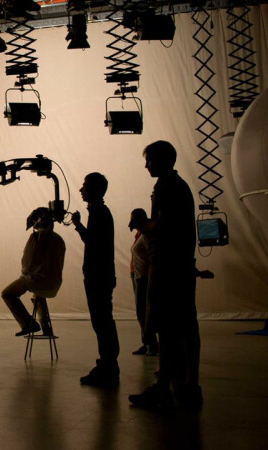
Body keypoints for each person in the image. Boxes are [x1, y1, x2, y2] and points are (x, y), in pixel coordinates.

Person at [129, 140, 201, 410]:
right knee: (185, 326)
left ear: (161, 160)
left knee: (166, 327)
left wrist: (143, 225)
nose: (146, 165)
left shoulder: (166, 187)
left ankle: (163, 388)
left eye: (149, 160)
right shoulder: (179, 186)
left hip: (167, 267)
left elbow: (163, 225)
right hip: (180, 265)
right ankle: (187, 384)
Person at [71, 173, 119, 388]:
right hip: (100, 275)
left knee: (102, 322)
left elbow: (93, 241)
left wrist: (78, 225)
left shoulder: (100, 213)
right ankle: (108, 365)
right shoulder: (99, 212)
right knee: (102, 321)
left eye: (85, 186)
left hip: (98, 276)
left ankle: (108, 366)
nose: (81, 190)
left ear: (95, 189)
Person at [2, 207, 66, 337]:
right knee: (38, 296)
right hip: (54, 282)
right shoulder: (59, 239)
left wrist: (25, 276)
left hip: (36, 279)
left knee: (7, 294)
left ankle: (28, 324)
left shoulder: (36, 237)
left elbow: (27, 261)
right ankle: (46, 328)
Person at [128, 208, 158, 356]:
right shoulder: (139, 235)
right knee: (141, 312)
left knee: (145, 312)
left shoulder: (146, 235)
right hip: (137, 275)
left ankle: (151, 344)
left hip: (144, 277)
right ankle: (146, 342)